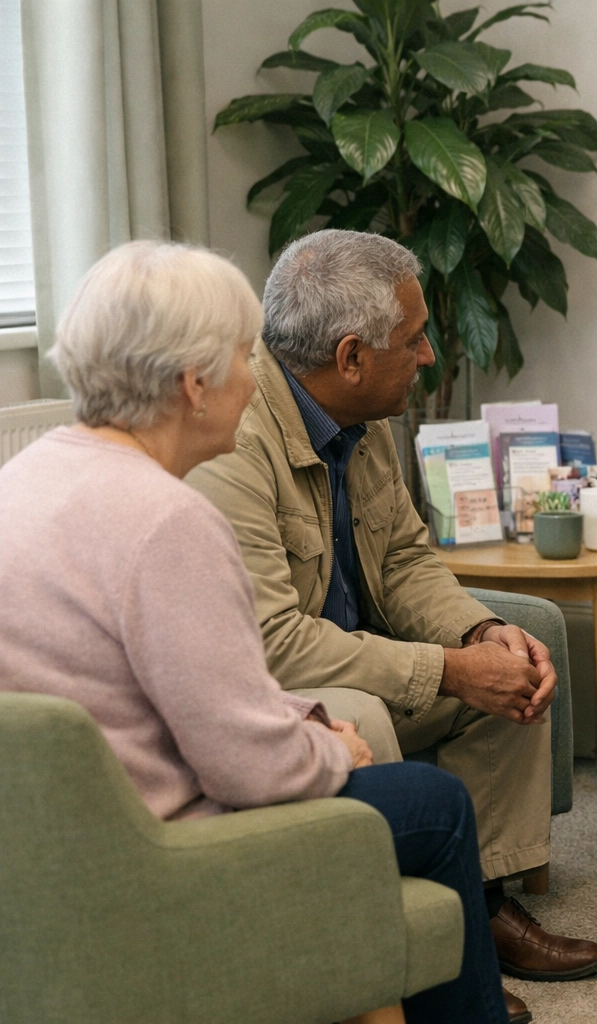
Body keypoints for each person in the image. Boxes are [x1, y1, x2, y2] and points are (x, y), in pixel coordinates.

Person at [0, 241, 520, 1024]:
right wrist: (331, 745)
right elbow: (249, 768)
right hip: (164, 849)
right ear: (193, 385)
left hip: (64, 846)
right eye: (245, 357)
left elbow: (178, 692)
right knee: (435, 804)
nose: (258, 378)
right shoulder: (169, 520)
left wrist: (304, 726)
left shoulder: (26, 477)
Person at [185, 230, 597, 1003]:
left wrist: (480, 636)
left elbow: (407, 558)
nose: (429, 358)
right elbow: (272, 645)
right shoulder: (238, 442)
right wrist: (448, 669)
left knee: (519, 653)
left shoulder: (366, 416)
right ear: (350, 356)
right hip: (291, 691)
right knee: (365, 710)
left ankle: (480, 904)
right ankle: (401, 944)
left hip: (365, 653)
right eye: (413, 341)